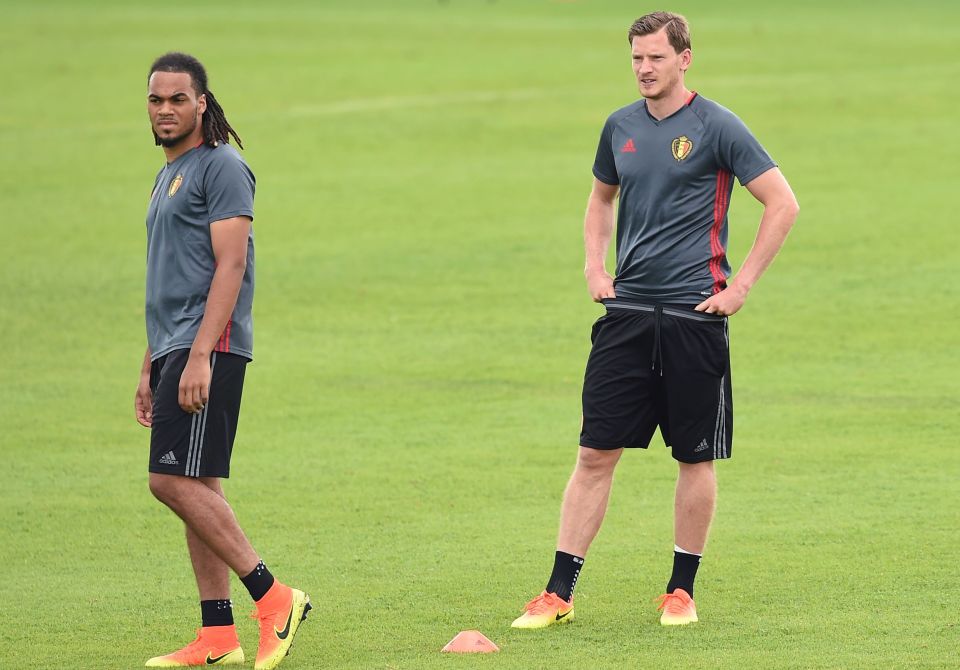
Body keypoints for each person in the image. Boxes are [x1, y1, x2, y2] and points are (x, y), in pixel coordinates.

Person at [511, 12, 799, 628]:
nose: (644, 69)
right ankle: (558, 593)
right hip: (628, 317)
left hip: (696, 315)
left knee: (694, 458)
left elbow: (783, 202)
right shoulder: (619, 127)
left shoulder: (719, 126)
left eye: (656, 59)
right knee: (594, 453)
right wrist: (595, 268)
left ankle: (680, 591)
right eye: (637, 59)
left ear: (685, 58)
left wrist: (741, 285)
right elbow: (600, 199)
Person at [134, 52, 310, 668]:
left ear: (202, 102)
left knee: (170, 480)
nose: (165, 109)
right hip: (175, 346)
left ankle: (274, 596)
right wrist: (152, 362)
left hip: (210, 345)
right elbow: (170, 275)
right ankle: (217, 636)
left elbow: (230, 266)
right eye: (156, 99)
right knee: (198, 485)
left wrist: (201, 355)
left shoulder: (223, 167)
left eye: (177, 99)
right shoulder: (170, 172)